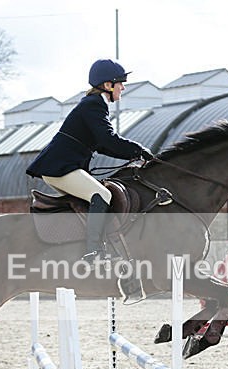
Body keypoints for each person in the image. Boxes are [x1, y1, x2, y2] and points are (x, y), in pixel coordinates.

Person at [26, 59, 154, 262]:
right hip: (60, 168)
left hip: (62, 167)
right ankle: (93, 252)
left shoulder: (94, 105)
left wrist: (135, 155)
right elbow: (108, 140)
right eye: (120, 82)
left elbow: (102, 145)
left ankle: (79, 247)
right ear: (107, 85)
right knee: (101, 194)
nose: (123, 87)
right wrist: (139, 150)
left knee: (92, 200)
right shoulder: (93, 105)